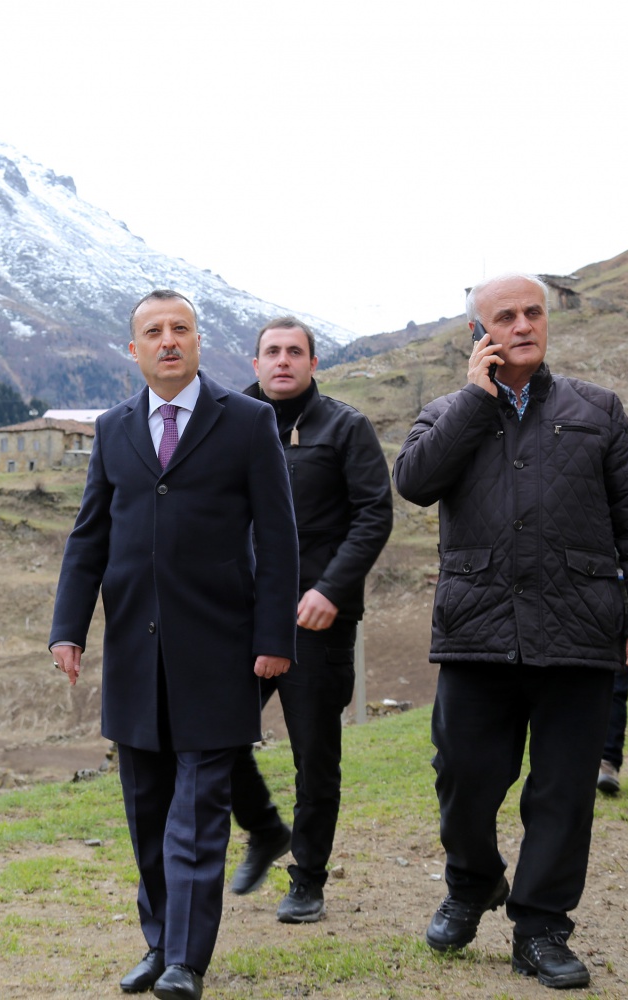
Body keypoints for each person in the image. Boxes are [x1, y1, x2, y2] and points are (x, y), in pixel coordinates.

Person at [392, 273, 628, 990]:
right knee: (462, 777)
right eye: (506, 316)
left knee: (564, 791)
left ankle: (542, 927)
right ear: (477, 334)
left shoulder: (598, 409)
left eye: (533, 313)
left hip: (579, 628)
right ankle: (471, 882)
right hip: (476, 628)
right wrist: (473, 400)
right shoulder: (447, 411)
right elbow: (415, 482)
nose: (523, 325)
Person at [50, 289, 298, 1000]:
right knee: (147, 810)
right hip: (135, 652)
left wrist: (274, 636)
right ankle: (158, 944)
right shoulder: (112, 429)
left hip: (220, 652)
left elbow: (278, 537)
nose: (168, 341)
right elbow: (89, 537)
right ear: (134, 350)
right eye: (154, 332)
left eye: (180, 329)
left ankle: (187, 960)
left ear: (197, 341)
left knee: (197, 814)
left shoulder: (247, 421)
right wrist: (68, 628)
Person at [226, 317, 392, 923]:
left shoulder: (345, 427)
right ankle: (264, 828)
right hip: (240, 616)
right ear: (255, 363)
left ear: (313, 363)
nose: (283, 361)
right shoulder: (226, 425)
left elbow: (374, 515)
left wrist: (332, 589)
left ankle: (308, 879)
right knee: (212, 734)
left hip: (316, 618)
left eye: (295, 351)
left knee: (314, 756)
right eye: (272, 351)